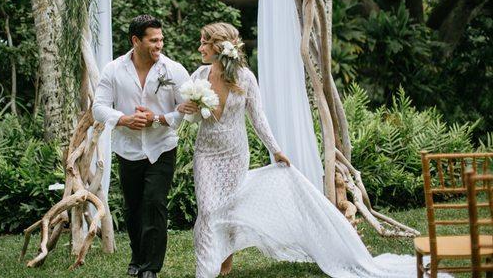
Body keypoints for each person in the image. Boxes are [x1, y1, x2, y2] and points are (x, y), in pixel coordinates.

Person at [181, 22, 435, 278]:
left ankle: (225, 260)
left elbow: (258, 118)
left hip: (235, 153)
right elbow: (191, 116)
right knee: (208, 209)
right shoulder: (199, 77)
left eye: (204, 42)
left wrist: (276, 150)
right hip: (206, 153)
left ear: (219, 47)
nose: (200, 46)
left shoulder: (245, 78)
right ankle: (205, 269)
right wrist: (188, 111)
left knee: (230, 208)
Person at [93, 15, 189, 278]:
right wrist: (122, 119)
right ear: (136, 41)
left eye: (161, 39)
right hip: (128, 149)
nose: (159, 44)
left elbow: (186, 109)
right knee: (133, 207)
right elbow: (98, 108)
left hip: (162, 147)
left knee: (155, 202)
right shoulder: (113, 69)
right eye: (153, 40)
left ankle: (150, 268)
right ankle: (137, 258)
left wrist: (158, 119)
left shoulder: (174, 70)